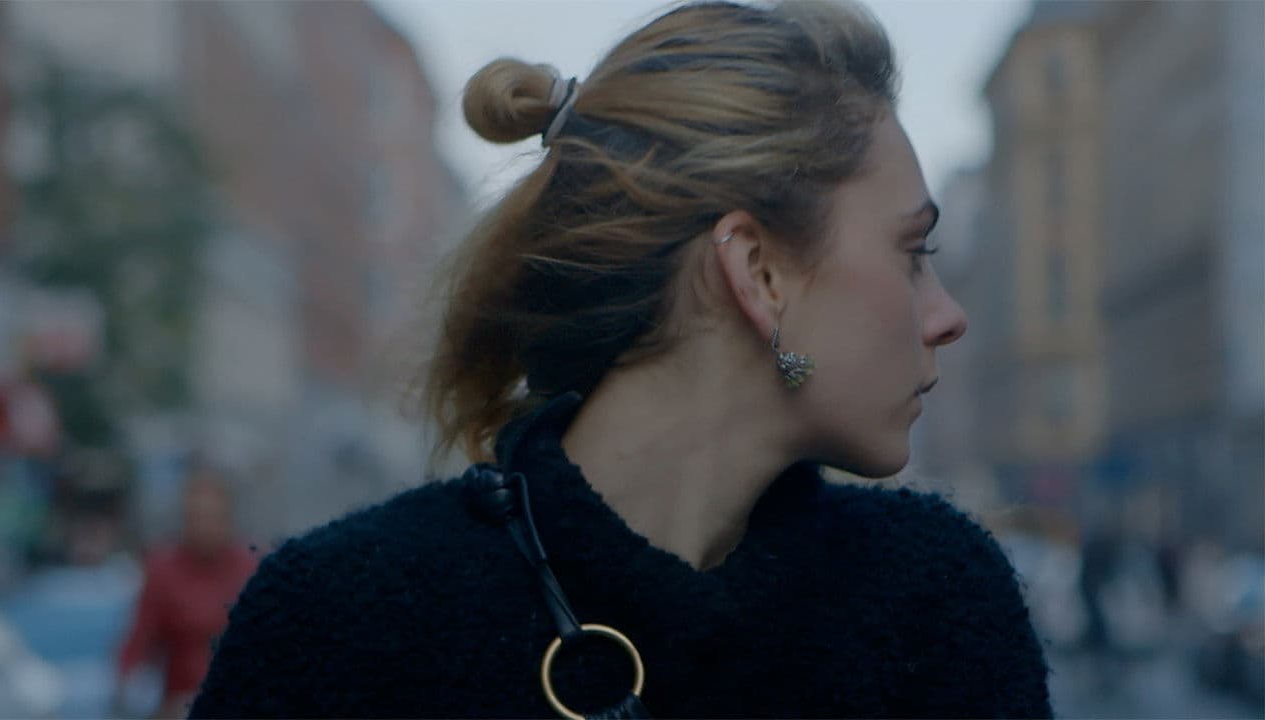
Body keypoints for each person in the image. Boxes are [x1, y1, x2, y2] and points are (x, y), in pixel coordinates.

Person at [190, 1, 1051, 717]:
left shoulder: (934, 602)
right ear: (758, 273)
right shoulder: (341, 624)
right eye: (913, 252)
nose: (948, 317)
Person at [117, 465, 256, 719]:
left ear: (228, 519)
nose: (205, 527)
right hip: (180, 705)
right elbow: (137, 645)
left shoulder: (252, 569)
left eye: (213, 517)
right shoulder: (162, 570)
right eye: (197, 517)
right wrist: (129, 687)